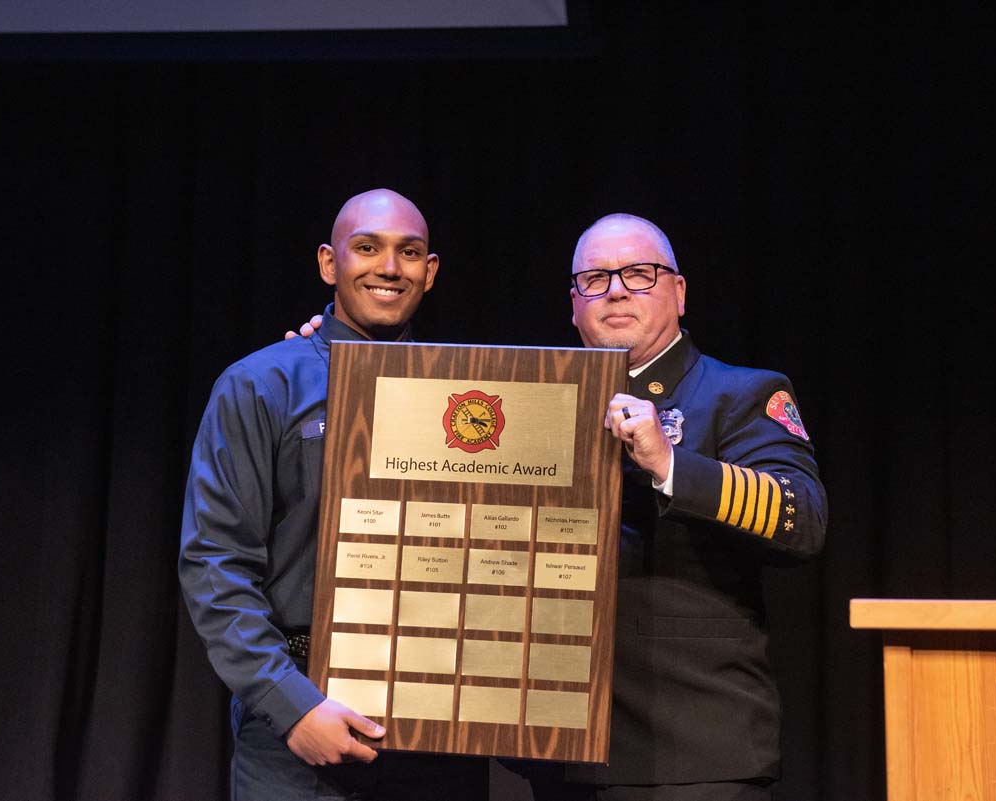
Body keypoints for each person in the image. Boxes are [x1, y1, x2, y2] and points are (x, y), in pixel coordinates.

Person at [290, 212, 826, 800]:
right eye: (594, 279)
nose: (616, 289)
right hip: (554, 748)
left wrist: (671, 465)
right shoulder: (533, 400)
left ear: (679, 291)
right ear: (573, 305)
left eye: (640, 274)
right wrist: (326, 363)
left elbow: (802, 521)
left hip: (688, 750)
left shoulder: (741, 394)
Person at [180, 188, 487, 800]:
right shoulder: (262, 385)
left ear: (429, 273)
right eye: (367, 248)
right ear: (329, 263)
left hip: (441, 728)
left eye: (409, 252)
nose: (389, 267)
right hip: (301, 723)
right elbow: (215, 562)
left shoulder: (471, 395)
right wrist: (291, 707)